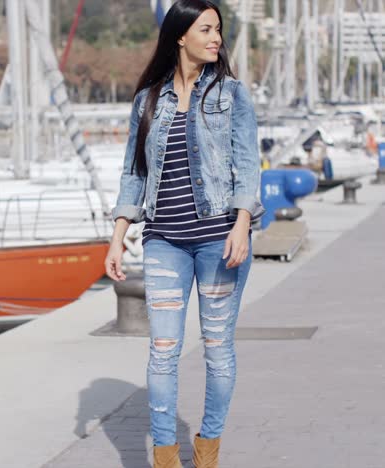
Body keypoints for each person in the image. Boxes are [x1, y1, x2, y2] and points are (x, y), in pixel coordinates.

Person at [104, 1, 264, 466]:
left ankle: (208, 448)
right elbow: (133, 174)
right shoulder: (148, 99)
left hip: (221, 239)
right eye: (206, 29)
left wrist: (241, 225)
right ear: (180, 35)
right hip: (164, 241)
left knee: (217, 350)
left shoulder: (231, 94)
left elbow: (248, 164)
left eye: (218, 30)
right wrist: (118, 236)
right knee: (162, 350)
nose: (216, 38)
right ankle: (166, 457)